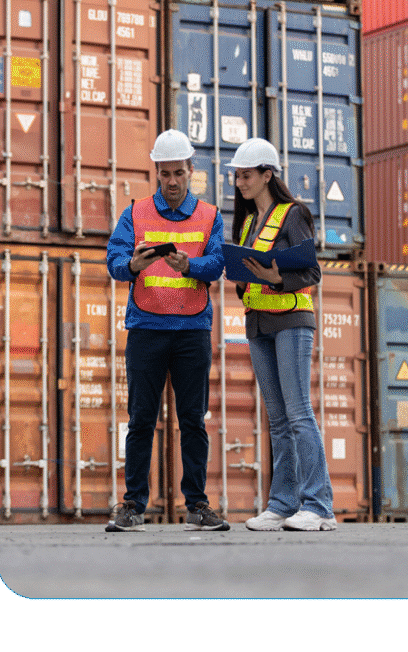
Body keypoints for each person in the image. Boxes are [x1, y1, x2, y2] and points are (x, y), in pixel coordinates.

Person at [106, 129, 229, 532]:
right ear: (156, 173)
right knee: (141, 419)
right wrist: (133, 266)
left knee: (192, 420)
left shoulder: (210, 216)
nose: (172, 182)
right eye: (165, 174)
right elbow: (114, 260)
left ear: (191, 170)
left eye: (179, 173)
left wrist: (189, 266)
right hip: (147, 328)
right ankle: (132, 506)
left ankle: (197, 505)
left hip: (192, 329)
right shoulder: (135, 213)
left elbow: (217, 264)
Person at [226, 138, 336, 531]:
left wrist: (276, 277)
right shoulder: (248, 222)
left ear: (267, 175)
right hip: (258, 324)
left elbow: (312, 273)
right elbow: (246, 276)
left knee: (298, 414)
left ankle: (319, 506)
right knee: (277, 421)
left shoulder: (294, 214)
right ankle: (282, 504)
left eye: (246, 175)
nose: (239, 182)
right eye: (236, 175)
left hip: (291, 322)